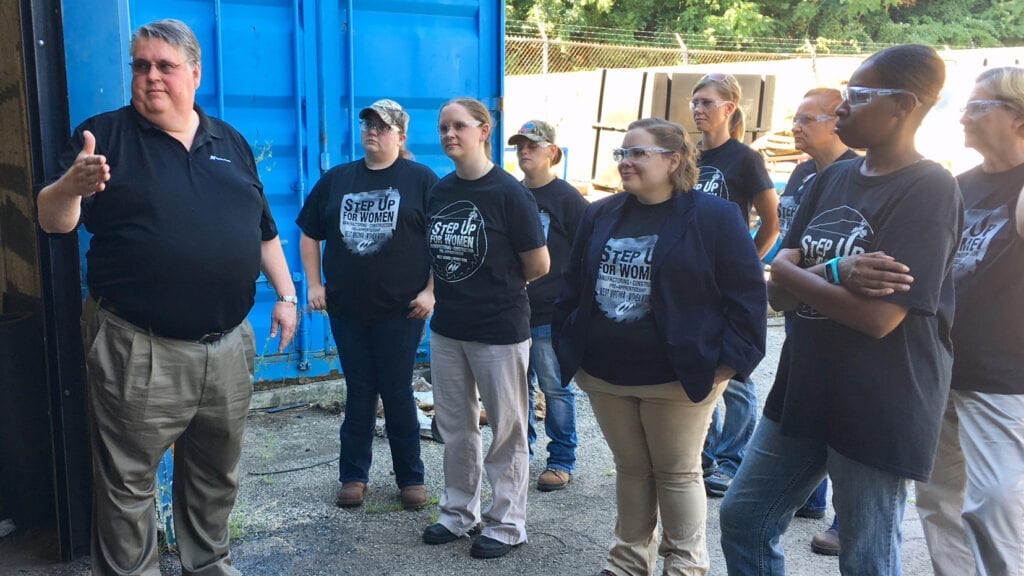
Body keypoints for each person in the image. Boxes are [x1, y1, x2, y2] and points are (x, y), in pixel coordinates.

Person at [36, 19, 297, 576]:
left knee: (215, 472)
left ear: (195, 74)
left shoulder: (230, 141)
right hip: (139, 347)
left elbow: (263, 229)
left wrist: (288, 294)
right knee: (128, 483)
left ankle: (208, 564)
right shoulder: (101, 138)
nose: (151, 76)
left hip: (228, 346)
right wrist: (70, 187)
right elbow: (53, 221)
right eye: (140, 65)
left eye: (165, 66)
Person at [719, 44, 963, 576]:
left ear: (902, 104)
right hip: (803, 389)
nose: (843, 108)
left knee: (866, 553)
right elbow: (778, 289)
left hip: (879, 402)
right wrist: (828, 273)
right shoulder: (830, 178)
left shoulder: (929, 188)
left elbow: (880, 318)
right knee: (744, 517)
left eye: (857, 94)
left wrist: (791, 271)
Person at [553, 117, 767, 576]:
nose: (625, 162)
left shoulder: (714, 216)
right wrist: (571, 340)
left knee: (676, 474)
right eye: (622, 154)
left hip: (678, 375)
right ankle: (629, 561)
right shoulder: (602, 212)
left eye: (637, 153)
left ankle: (686, 565)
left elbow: (747, 298)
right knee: (631, 470)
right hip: (606, 372)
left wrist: (726, 364)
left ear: (674, 160)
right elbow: (574, 285)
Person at [420, 97, 549, 559]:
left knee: (508, 431)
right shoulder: (439, 190)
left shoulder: (510, 194)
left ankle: (507, 524)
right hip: (448, 328)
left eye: (458, 126)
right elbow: (438, 255)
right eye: (442, 128)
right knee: (455, 427)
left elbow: (538, 263)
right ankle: (458, 514)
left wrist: (492, 287)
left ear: (483, 130)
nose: (449, 134)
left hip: (499, 329)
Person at [296, 99, 438, 511]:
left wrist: (432, 292)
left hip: (402, 310)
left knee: (396, 392)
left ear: (401, 136)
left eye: (382, 125)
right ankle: (353, 477)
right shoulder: (338, 179)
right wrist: (314, 284)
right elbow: (309, 232)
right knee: (359, 391)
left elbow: (441, 239)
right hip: (347, 309)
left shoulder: (421, 179)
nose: (373, 131)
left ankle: (411, 478)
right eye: (367, 124)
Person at [914, 66, 1024, 576]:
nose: (964, 115)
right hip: (941, 368)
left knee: (997, 502)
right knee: (938, 501)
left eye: (979, 106)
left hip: (1003, 378)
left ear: (1018, 117)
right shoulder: (957, 186)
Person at [690, 72, 779, 497]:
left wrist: (746, 264)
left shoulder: (744, 158)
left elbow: (772, 221)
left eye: (707, 102)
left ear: (729, 109)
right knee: (700, 367)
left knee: (736, 376)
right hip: (694, 281)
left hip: (729, 284)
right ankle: (704, 455)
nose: (698, 109)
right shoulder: (689, 156)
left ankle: (731, 460)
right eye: (695, 102)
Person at [780, 88, 859, 556]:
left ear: (837, 121)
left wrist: (793, 274)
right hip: (799, 311)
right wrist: (788, 275)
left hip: (843, 325)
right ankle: (810, 497)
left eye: (807, 118)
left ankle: (846, 521)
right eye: (795, 117)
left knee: (847, 423)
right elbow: (784, 254)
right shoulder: (802, 173)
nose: (795, 126)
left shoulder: (856, 175)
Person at [508, 119, 588, 492]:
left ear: (551, 152)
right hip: (511, 312)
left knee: (556, 388)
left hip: (550, 313)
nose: (525, 151)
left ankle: (561, 459)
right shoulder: (509, 192)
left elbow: (586, 254)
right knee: (517, 389)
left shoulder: (567, 199)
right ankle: (520, 452)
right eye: (520, 146)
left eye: (533, 145)